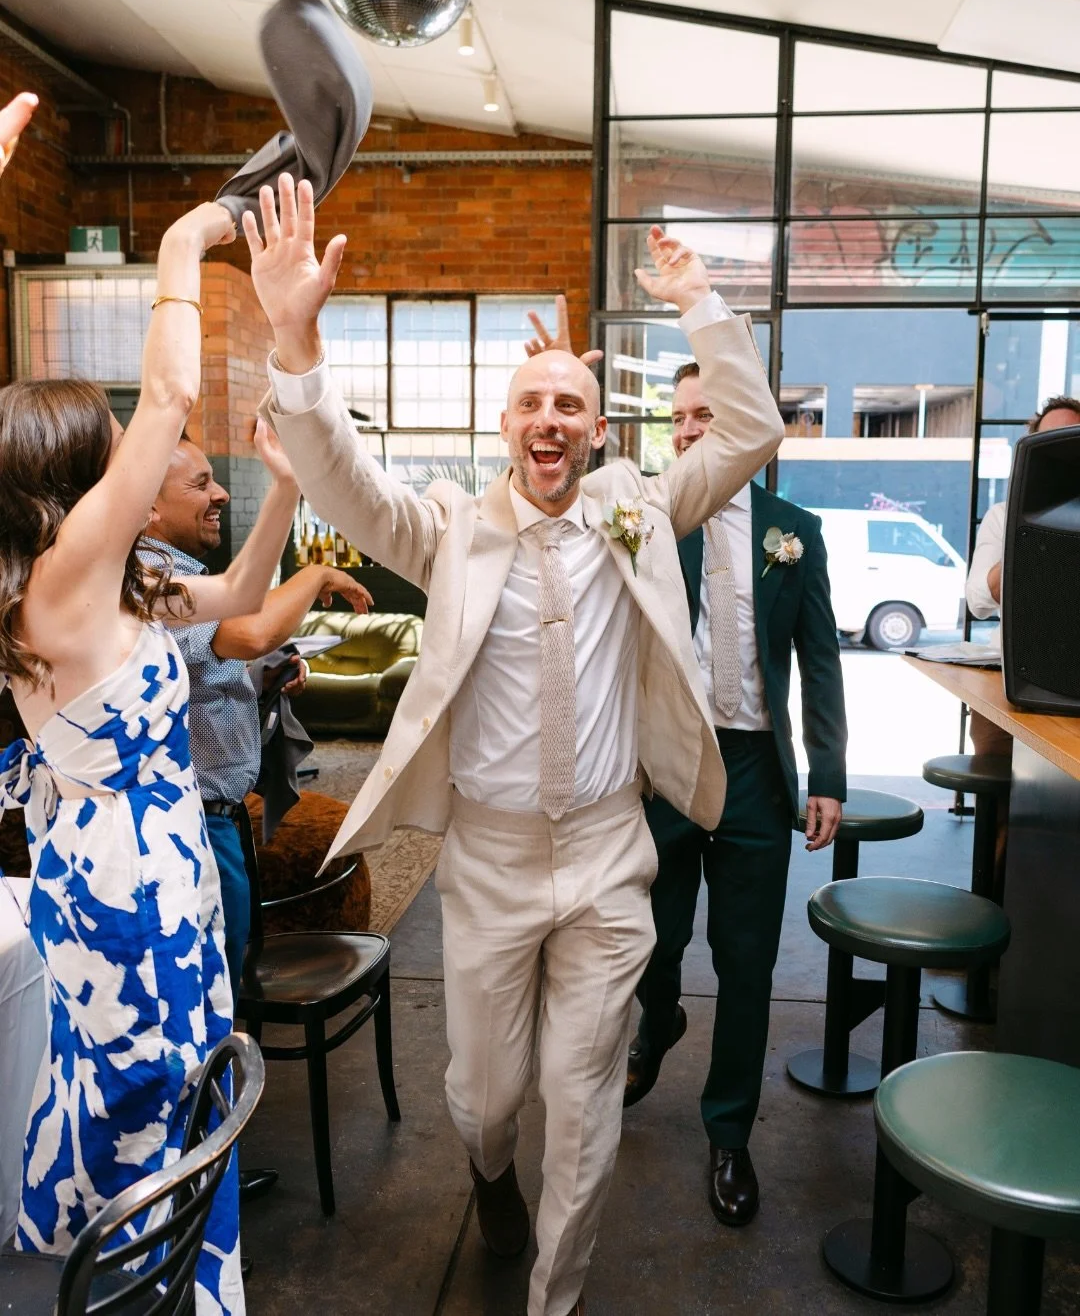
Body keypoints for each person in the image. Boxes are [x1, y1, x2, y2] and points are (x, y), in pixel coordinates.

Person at [242, 174, 785, 1316]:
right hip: (486, 863)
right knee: (486, 1099)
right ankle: (490, 1175)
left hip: (608, 857)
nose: (549, 420)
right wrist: (295, 343)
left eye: (569, 405)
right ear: (504, 427)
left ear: (598, 430)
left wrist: (699, 303)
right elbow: (343, 478)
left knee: (582, 1103)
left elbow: (752, 429)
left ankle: (555, 1297)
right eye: (531, 402)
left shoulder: (643, 510)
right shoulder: (446, 529)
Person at [0, 106, 292, 1309]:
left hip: (159, 869)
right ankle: (136, 1287)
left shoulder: (118, 586)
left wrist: (285, 485)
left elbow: (239, 595)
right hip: (123, 893)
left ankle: (162, 1281)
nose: (141, 443)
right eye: (117, 443)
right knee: (140, 1119)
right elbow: (171, 384)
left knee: (174, 1110)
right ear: (73, 480)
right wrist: (182, 245)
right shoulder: (58, 587)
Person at [621, 358, 847, 1228]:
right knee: (652, 939)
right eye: (677, 417)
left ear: (746, 426)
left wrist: (827, 775)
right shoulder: (649, 522)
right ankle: (659, 1018)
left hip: (756, 772)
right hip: (671, 763)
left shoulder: (795, 533)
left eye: (704, 415)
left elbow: (821, 661)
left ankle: (728, 1133)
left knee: (746, 962)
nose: (684, 430)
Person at [143, 433, 373, 997]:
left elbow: (206, 661)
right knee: (210, 991)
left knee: (225, 974)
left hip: (216, 816)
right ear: (148, 507)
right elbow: (251, 632)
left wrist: (260, 678)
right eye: (200, 483)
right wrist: (315, 574)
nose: (221, 493)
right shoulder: (146, 574)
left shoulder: (174, 570)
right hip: (193, 821)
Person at [966, 395, 1080, 757]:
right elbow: (978, 601)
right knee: (995, 760)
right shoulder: (1003, 516)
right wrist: (1026, 535)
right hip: (1017, 683)